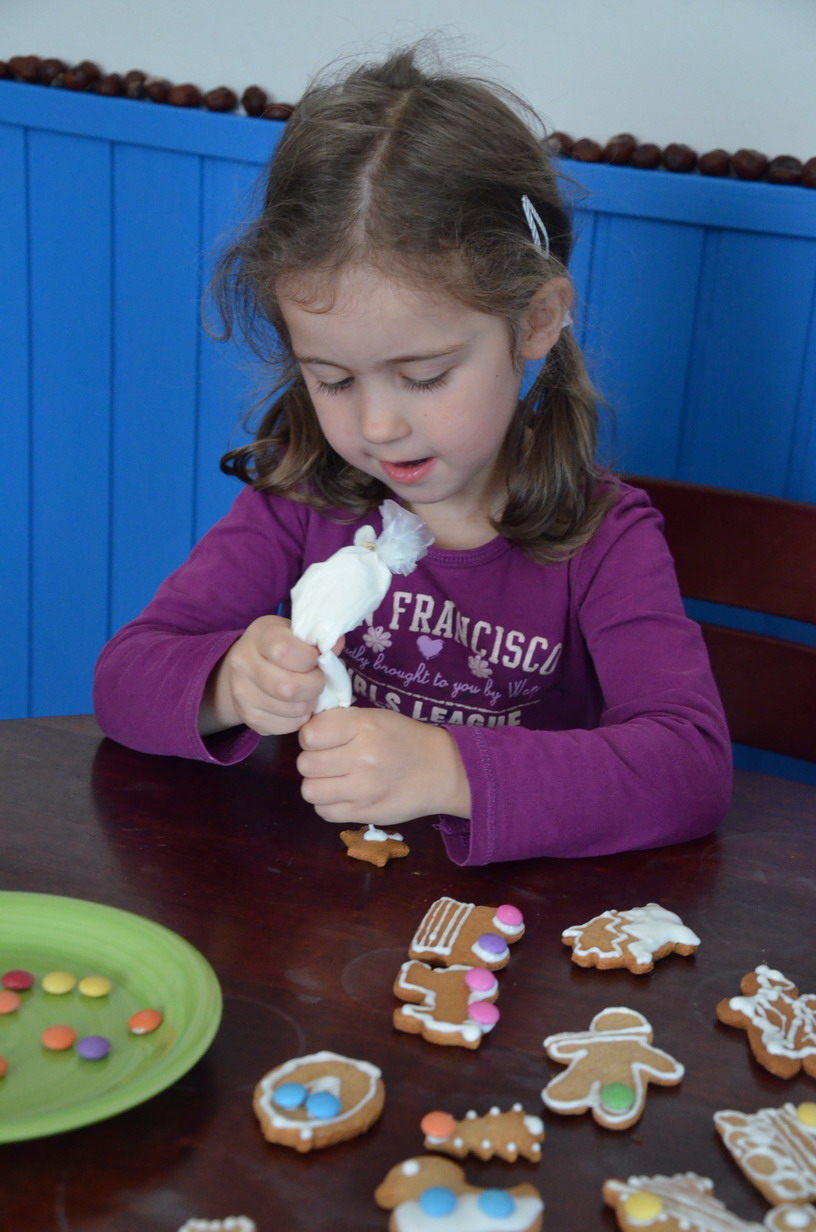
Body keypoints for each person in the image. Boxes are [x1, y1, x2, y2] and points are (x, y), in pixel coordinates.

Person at [94, 45, 732, 864]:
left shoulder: (605, 539)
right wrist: (229, 684)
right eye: (332, 379)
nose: (378, 425)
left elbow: (690, 769)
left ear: (536, 321)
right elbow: (123, 680)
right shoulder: (303, 500)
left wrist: (450, 771)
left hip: (512, 922)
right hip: (322, 906)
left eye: (424, 376)